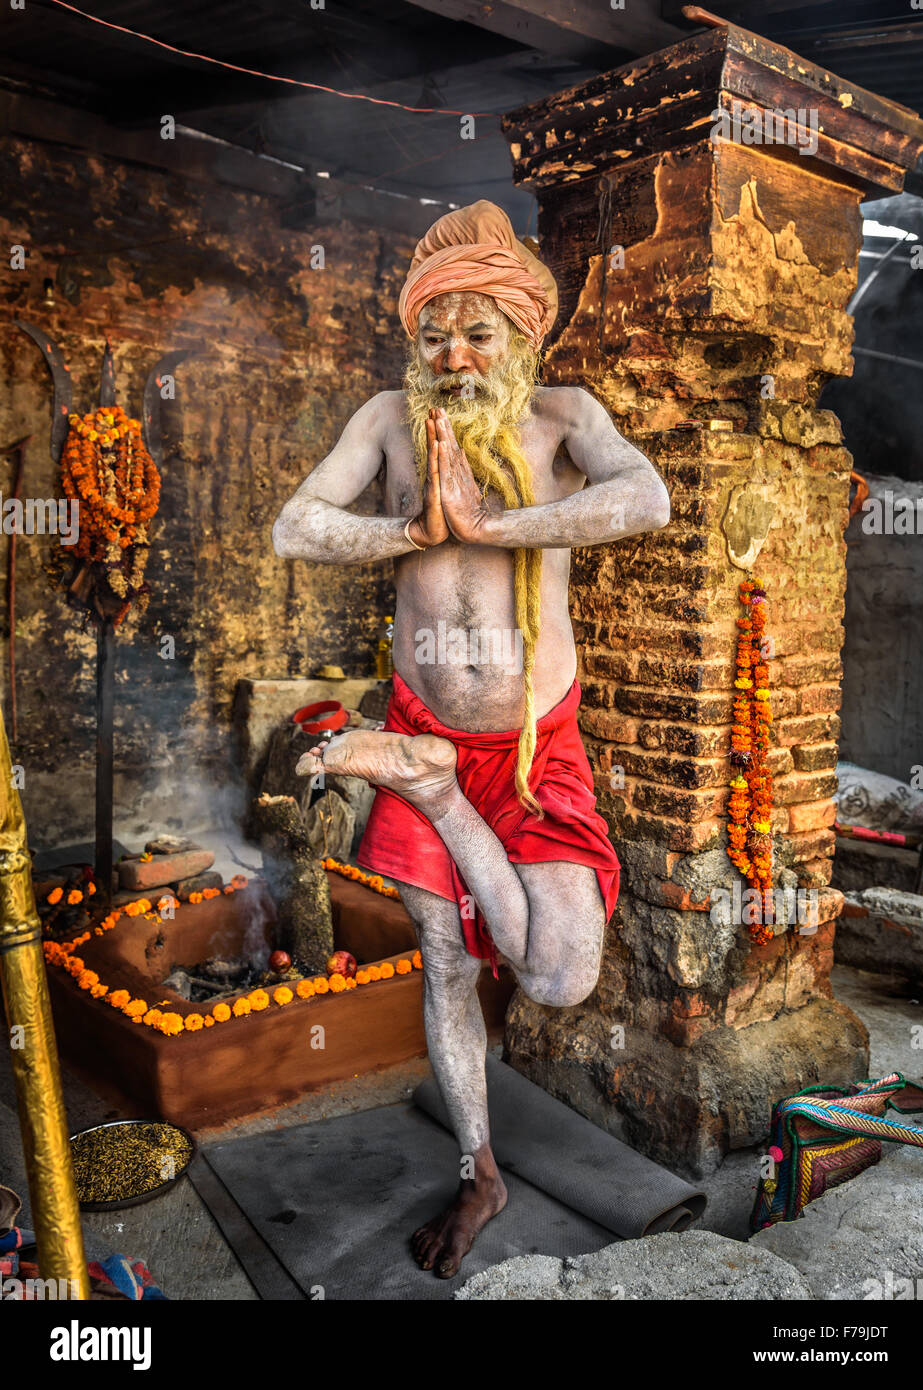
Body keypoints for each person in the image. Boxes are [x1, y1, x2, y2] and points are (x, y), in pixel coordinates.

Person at [272, 200, 670, 1278]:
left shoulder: (562, 417)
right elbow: (294, 525)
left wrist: (496, 525)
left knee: (555, 975)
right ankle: (479, 1170)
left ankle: (439, 790)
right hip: (419, 722)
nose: (452, 354)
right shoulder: (387, 422)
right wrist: (410, 530)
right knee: (445, 960)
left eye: (477, 331)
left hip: (532, 753)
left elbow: (647, 497)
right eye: (433, 333)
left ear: (521, 337)